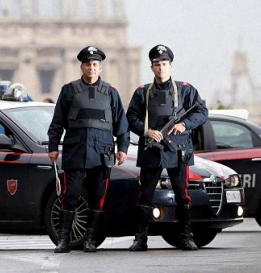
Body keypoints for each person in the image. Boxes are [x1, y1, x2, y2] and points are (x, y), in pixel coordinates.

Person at [47, 46, 129, 253]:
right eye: (87, 64)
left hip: (102, 153)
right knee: (70, 195)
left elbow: (121, 124)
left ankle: (91, 239)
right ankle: (63, 240)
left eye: (95, 64)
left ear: (100, 68)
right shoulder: (69, 90)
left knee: (97, 196)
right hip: (76, 150)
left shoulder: (111, 92)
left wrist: (123, 148)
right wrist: (53, 146)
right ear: (81, 67)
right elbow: (57, 121)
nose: (91, 67)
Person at [126, 44, 208, 251]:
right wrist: (146, 131)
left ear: (170, 66)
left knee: (182, 194)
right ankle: (140, 239)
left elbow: (201, 112)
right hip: (151, 149)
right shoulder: (142, 92)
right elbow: (131, 117)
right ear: (151, 67)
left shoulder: (186, 90)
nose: (161, 67)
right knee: (145, 194)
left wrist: (184, 124)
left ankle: (186, 237)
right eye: (157, 64)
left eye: (164, 64)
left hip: (177, 149)